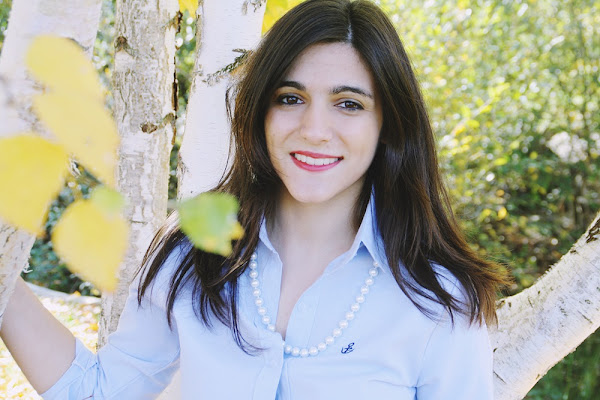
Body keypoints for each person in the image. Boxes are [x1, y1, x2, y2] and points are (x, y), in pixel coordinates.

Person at [1, 0, 510, 398]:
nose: (314, 129)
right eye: (290, 99)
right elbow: (98, 392)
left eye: (348, 104)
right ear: (260, 112)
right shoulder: (191, 252)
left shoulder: (441, 301)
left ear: (389, 125)